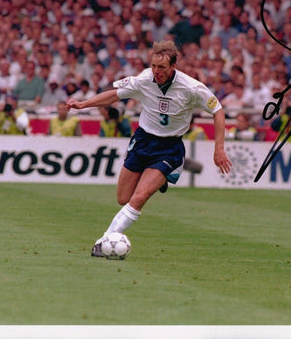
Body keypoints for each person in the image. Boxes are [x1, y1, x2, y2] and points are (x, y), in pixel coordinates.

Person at [66, 40, 232, 257]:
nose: (156, 71)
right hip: (143, 141)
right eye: (153, 65)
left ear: (173, 67)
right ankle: (163, 180)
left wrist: (219, 148)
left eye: (161, 67)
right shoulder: (144, 79)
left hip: (169, 147)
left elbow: (217, 110)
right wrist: (83, 104)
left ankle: (105, 239)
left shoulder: (191, 87)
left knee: (139, 197)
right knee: (123, 198)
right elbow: (114, 95)